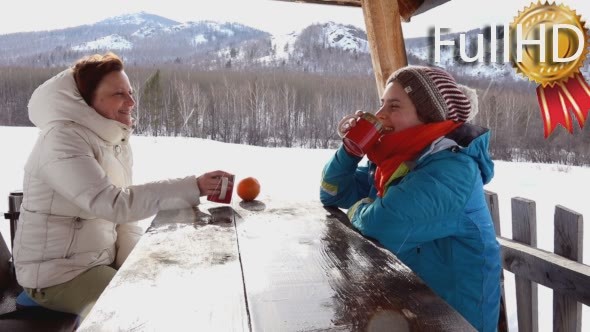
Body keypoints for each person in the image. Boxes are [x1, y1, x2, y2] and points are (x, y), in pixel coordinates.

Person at [12, 52, 233, 319]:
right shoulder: (61, 140)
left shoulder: (112, 139)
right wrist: (193, 186)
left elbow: (125, 221)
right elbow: (115, 205)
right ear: (86, 100)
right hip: (56, 274)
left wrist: (139, 263)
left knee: (168, 284)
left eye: (130, 91)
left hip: (95, 261)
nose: (131, 101)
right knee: (138, 310)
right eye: (119, 94)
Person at [320, 65, 501, 332]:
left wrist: (360, 208)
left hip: (455, 321)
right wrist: (351, 149)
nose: (380, 115)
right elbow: (332, 192)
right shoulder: (398, 162)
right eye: (381, 105)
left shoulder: (452, 170)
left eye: (394, 107)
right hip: (408, 307)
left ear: (428, 117)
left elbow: (380, 224)